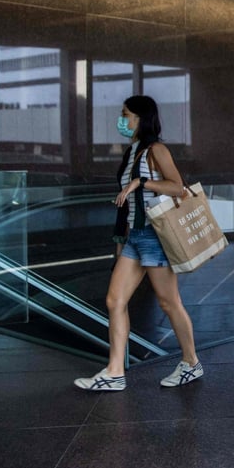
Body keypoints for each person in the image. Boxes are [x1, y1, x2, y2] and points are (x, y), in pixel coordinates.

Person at [74, 95, 203, 391]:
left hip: (156, 238)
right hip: (135, 236)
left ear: (140, 118)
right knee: (115, 300)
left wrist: (141, 183)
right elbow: (128, 204)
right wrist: (122, 242)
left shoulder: (156, 149)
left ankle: (191, 362)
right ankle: (115, 372)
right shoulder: (133, 151)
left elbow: (178, 187)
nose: (122, 120)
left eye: (126, 114)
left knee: (169, 302)